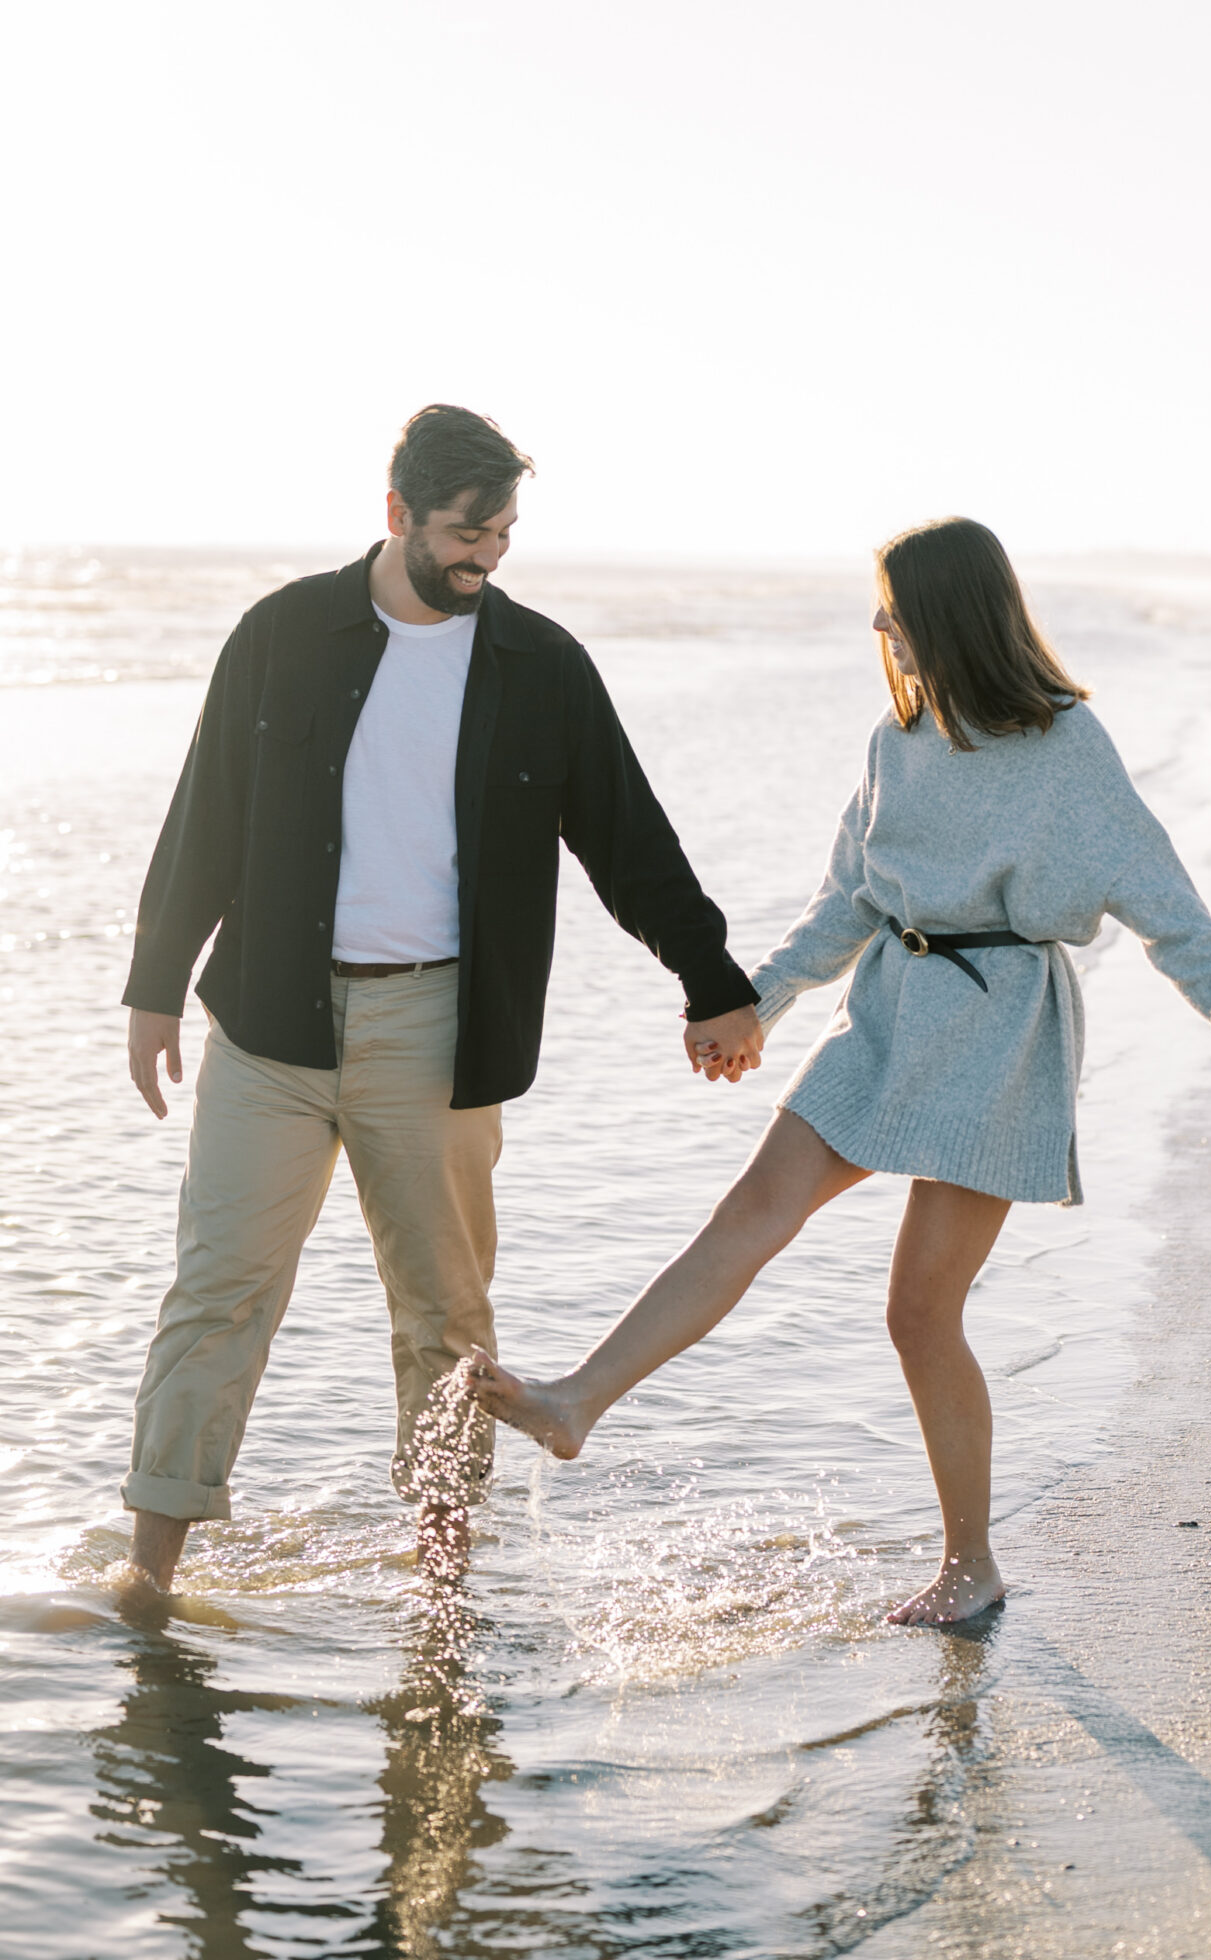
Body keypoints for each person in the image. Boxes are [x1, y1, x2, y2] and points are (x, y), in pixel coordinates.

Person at [470, 516, 1211, 1626]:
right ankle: (576, 1400)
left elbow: (1163, 899)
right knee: (749, 1213)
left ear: (952, 615)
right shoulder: (897, 738)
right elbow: (848, 901)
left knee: (920, 1313)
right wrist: (753, 1006)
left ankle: (972, 1565)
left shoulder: (1070, 748)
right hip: (884, 1014)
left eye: (895, 608)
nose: (880, 626)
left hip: (999, 1032)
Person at [119, 404, 761, 1592]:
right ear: (397, 512)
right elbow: (206, 807)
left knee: (447, 1317)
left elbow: (629, 838)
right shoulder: (284, 631)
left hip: (437, 1032)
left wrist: (712, 983)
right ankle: (149, 1577)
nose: (488, 557)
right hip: (267, 1023)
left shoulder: (541, 667)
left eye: (506, 533)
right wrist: (155, 987)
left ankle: (441, 1578)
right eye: (469, 532)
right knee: (216, 1292)